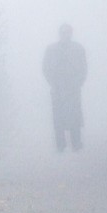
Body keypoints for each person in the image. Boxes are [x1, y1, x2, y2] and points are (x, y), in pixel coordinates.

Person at [43, 23, 87, 151]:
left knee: (75, 115)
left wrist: (79, 82)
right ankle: (60, 144)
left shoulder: (78, 49)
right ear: (60, 34)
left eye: (68, 32)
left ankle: (76, 143)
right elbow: (45, 68)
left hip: (73, 87)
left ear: (71, 33)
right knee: (58, 116)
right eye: (63, 32)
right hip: (57, 88)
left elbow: (84, 68)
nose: (65, 35)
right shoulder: (51, 49)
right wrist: (52, 82)